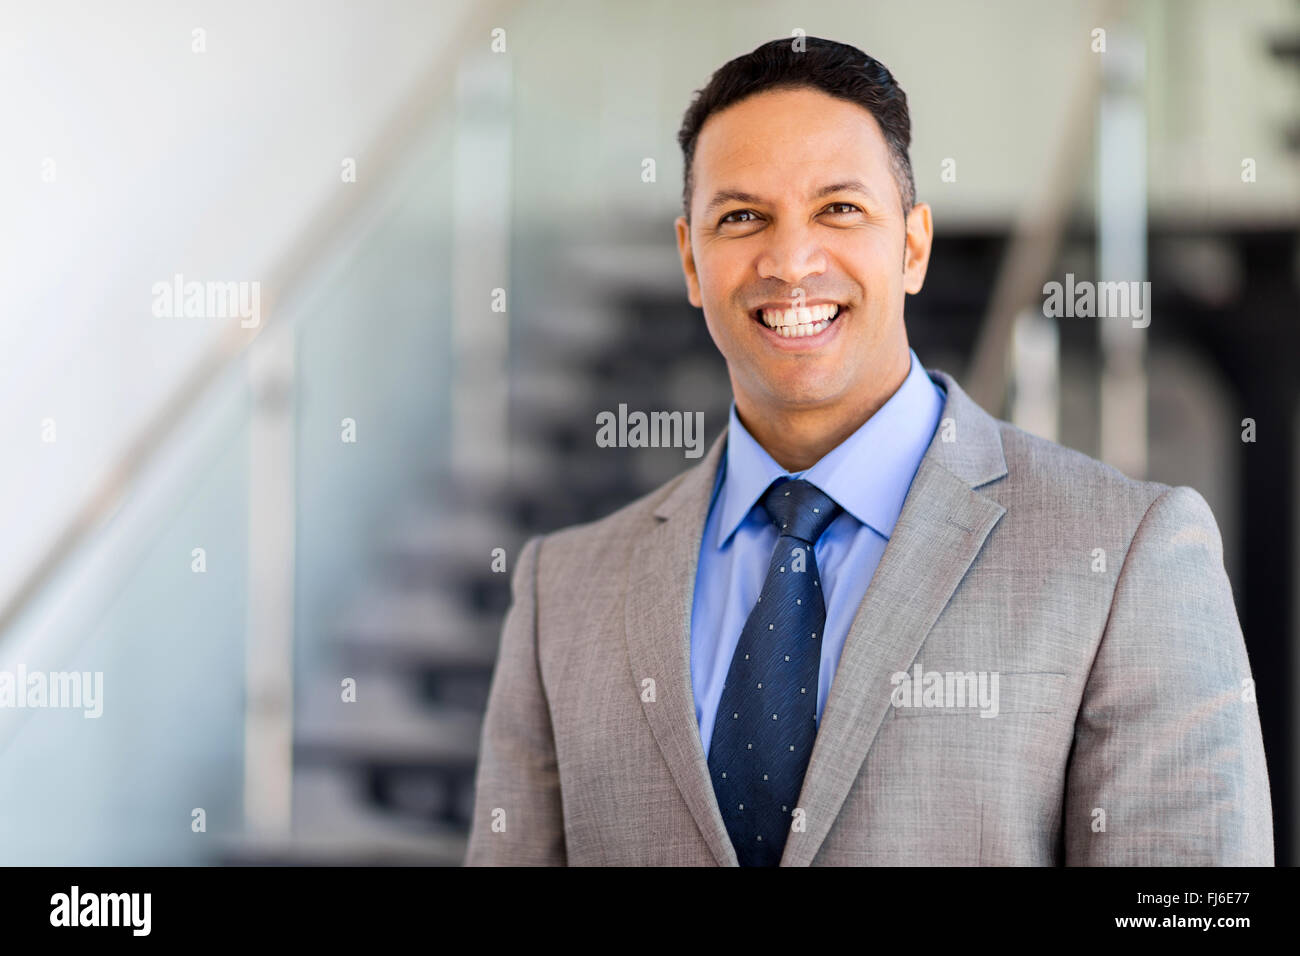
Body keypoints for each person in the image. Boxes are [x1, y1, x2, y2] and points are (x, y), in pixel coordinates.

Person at [464, 36, 1272, 866]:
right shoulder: (562, 594)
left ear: (913, 245)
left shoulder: (1128, 554)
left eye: (838, 209)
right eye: (742, 217)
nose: (790, 263)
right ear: (690, 262)